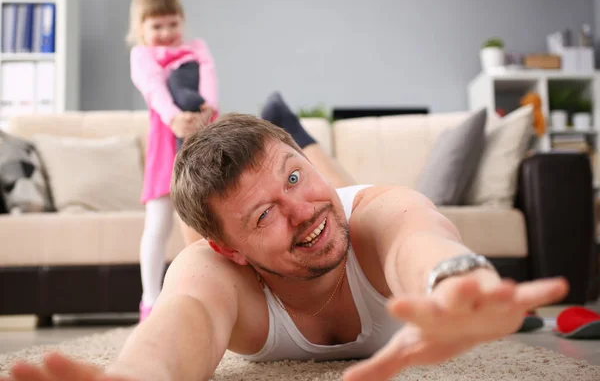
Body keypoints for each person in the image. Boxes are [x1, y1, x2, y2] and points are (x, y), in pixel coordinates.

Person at [3, 113, 568, 381]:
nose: (304, 212)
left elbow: (420, 242)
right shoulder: (216, 270)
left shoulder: (376, 213)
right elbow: (180, 326)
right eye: (265, 214)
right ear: (232, 250)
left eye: (294, 177)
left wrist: (457, 284)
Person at [127, 0, 218, 321]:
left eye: (172, 24)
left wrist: (205, 112)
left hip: (200, 136)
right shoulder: (142, 55)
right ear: (141, 27)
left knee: (202, 219)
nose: (166, 32)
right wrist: (175, 118)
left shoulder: (197, 48)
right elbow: (153, 89)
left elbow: (209, 85)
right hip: (165, 144)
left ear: (182, 21)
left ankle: (205, 293)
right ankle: (150, 301)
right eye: (156, 25)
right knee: (157, 225)